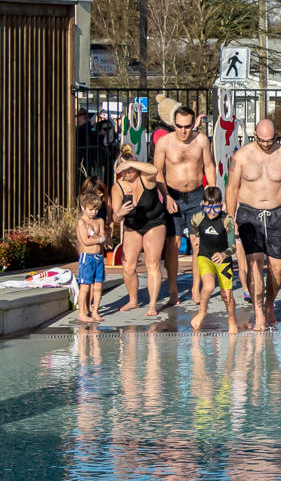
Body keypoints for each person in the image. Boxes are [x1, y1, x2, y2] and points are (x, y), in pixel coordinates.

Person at [223, 119, 281, 330]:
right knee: (254, 264)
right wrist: (230, 218)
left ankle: (269, 304)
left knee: (277, 270)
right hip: (250, 214)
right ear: (255, 136)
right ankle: (257, 311)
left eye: (270, 140)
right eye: (262, 140)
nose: (266, 144)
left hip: (278, 215)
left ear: (276, 136)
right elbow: (231, 188)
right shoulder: (241, 156)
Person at [154, 103, 218, 306]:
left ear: (193, 124)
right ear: (173, 123)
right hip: (173, 195)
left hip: (197, 195)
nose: (183, 131)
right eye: (180, 126)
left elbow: (209, 165)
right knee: (172, 245)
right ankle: (173, 289)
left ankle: (195, 287)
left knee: (198, 243)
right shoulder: (164, 143)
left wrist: (212, 195)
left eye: (187, 126)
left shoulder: (201, 141)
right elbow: (157, 172)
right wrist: (166, 196)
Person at [110, 149, 172, 315]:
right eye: (124, 170)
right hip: (133, 226)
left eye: (130, 169)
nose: (128, 174)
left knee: (152, 263)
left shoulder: (146, 178)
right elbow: (115, 219)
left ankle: (152, 304)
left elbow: (154, 170)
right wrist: (120, 213)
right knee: (128, 266)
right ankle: (133, 300)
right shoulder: (118, 188)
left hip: (154, 222)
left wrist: (130, 163)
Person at [187, 188, 238, 333]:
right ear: (202, 205)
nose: (211, 211)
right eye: (207, 207)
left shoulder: (226, 220)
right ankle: (202, 312)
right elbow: (195, 230)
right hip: (205, 257)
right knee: (208, 286)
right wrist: (196, 238)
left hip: (223, 259)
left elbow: (233, 246)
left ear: (221, 205)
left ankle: (231, 319)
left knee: (226, 295)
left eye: (215, 207)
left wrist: (223, 254)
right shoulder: (197, 218)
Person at [74, 181, 108, 326]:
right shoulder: (82, 222)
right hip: (87, 258)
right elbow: (86, 242)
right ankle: (82, 312)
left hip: (98, 257)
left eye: (96, 209)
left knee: (98, 286)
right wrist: (98, 238)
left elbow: (104, 238)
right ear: (83, 208)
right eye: (91, 209)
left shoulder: (99, 220)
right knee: (85, 286)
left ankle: (95, 311)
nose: (94, 212)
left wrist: (97, 238)